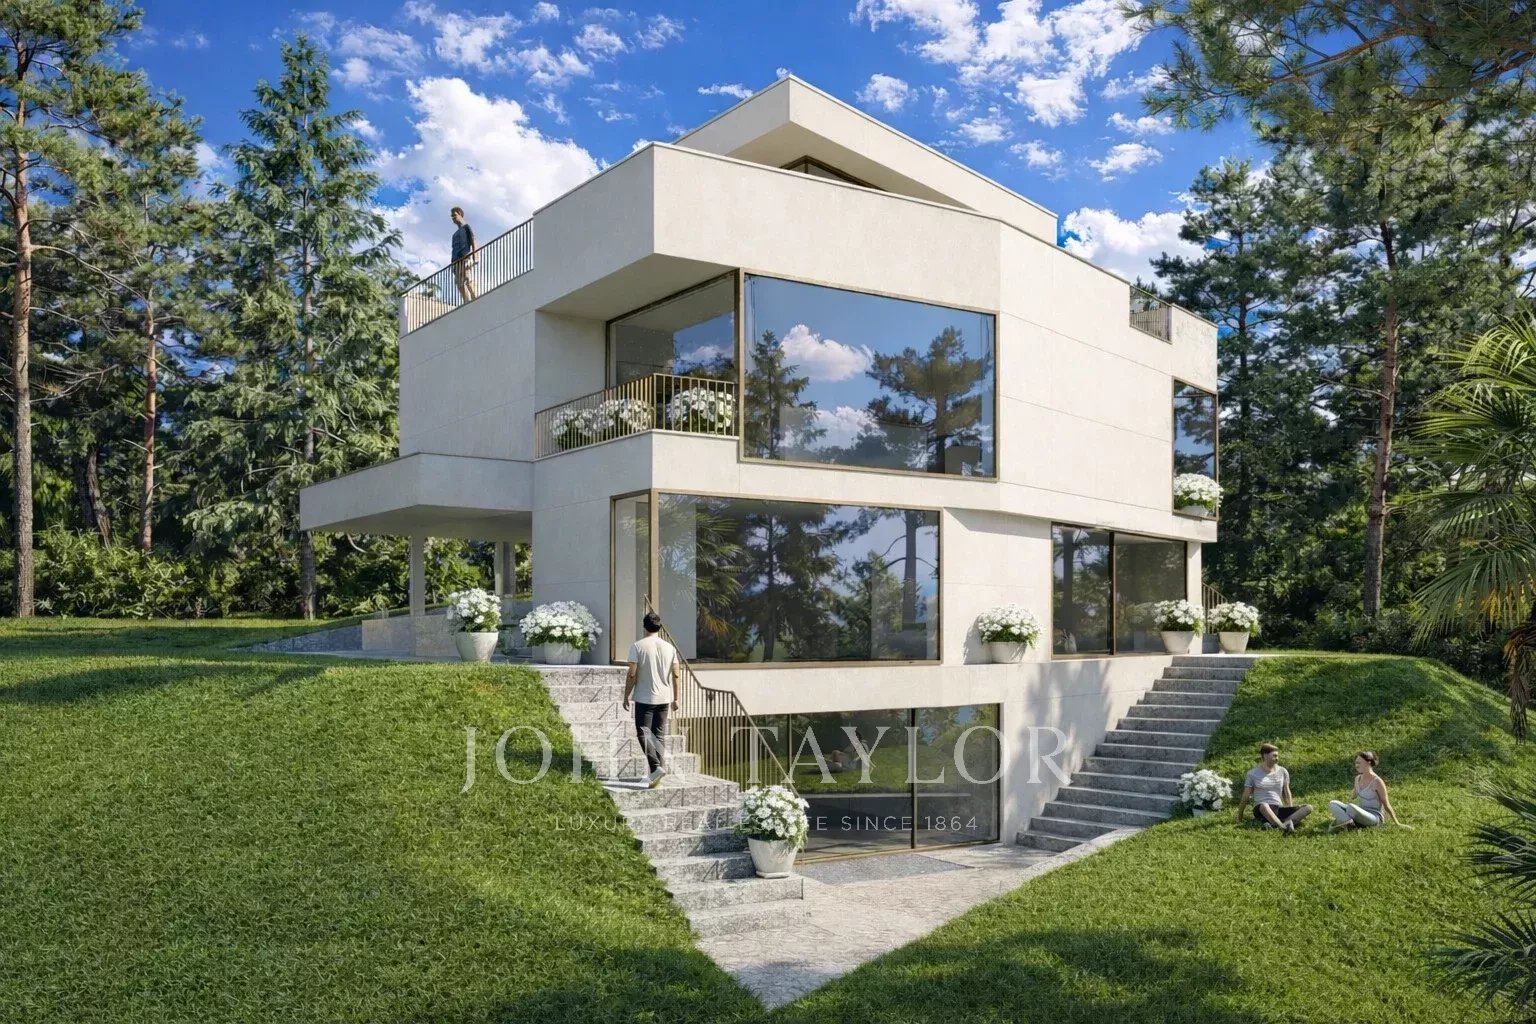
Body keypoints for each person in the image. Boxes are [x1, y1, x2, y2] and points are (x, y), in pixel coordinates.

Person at [623, 612, 681, 788]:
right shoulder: (670, 648)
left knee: (643, 733)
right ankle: (657, 776)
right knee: (658, 735)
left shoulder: (637, 646)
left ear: (644, 627)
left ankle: (655, 768)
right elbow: (676, 675)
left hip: (644, 697)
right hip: (664, 697)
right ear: (659, 627)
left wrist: (626, 695)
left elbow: (632, 674)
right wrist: (676, 698)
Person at [1235, 743, 1313, 833]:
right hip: (1261, 809)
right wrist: (1240, 816)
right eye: (1274, 756)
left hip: (1278, 808)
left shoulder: (1283, 771)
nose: (1277, 758)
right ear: (1265, 756)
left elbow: (1286, 792)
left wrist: (1290, 809)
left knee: (1308, 807)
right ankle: (1283, 827)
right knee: (1264, 805)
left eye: (1277, 756)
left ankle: (1276, 823)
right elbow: (1245, 797)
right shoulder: (1252, 774)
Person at [1328, 751, 1406, 830]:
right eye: (1356, 763)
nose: (1357, 765)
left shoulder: (1377, 781)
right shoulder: (1357, 779)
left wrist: (1397, 823)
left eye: (1359, 763)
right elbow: (1353, 796)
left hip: (1374, 817)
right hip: (1361, 812)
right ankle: (1350, 824)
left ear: (1368, 762)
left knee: (1351, 808)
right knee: (1333, 803)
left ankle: (1347, 822)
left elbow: (1386, 804)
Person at [450, 206, 477, 302]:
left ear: (460, 214)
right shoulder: (454, 235)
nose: (453, 218)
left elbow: (473, 241)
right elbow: (454, 248)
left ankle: (476, 298)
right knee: (459, 283)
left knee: (468, 279)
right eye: (452, 216)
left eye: (454, 215)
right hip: (456, 261)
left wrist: (475, 257)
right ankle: (467, 302)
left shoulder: (466, 227)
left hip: (465, 257)